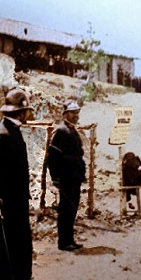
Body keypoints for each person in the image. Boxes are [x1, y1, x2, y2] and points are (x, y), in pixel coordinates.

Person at [0, 89, 46, 280]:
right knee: (8, 247)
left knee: (21, 245)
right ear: (21, 112)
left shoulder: (11, 130)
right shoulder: (1, 134)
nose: (28, 115)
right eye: (26, 111)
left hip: (17, 200)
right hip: (7, 202)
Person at [46, 100, 86, 252]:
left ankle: (70, 240)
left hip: (74, 177)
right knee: (65, 210)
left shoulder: (72, 130)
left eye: (77, 113)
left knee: (72, 209)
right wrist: (56, 178)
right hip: (66, 177)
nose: (76, 116)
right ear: (65, 114)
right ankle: (63, 242)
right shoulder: (61, 131)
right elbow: (53, 157)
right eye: (73, 113)